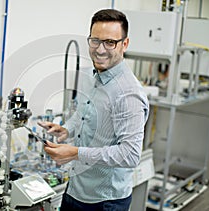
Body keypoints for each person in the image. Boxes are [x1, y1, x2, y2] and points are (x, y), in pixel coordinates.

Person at [38, 9, 149, 211]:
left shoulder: (128, 93)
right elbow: (83, 113)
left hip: (104, 201)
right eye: (95, 41)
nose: (100, 50)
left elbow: (131, 154)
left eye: (110, 42)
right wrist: (67, 129)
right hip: (75, 190)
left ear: (125, 44)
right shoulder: (91, 75)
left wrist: (76, 153)